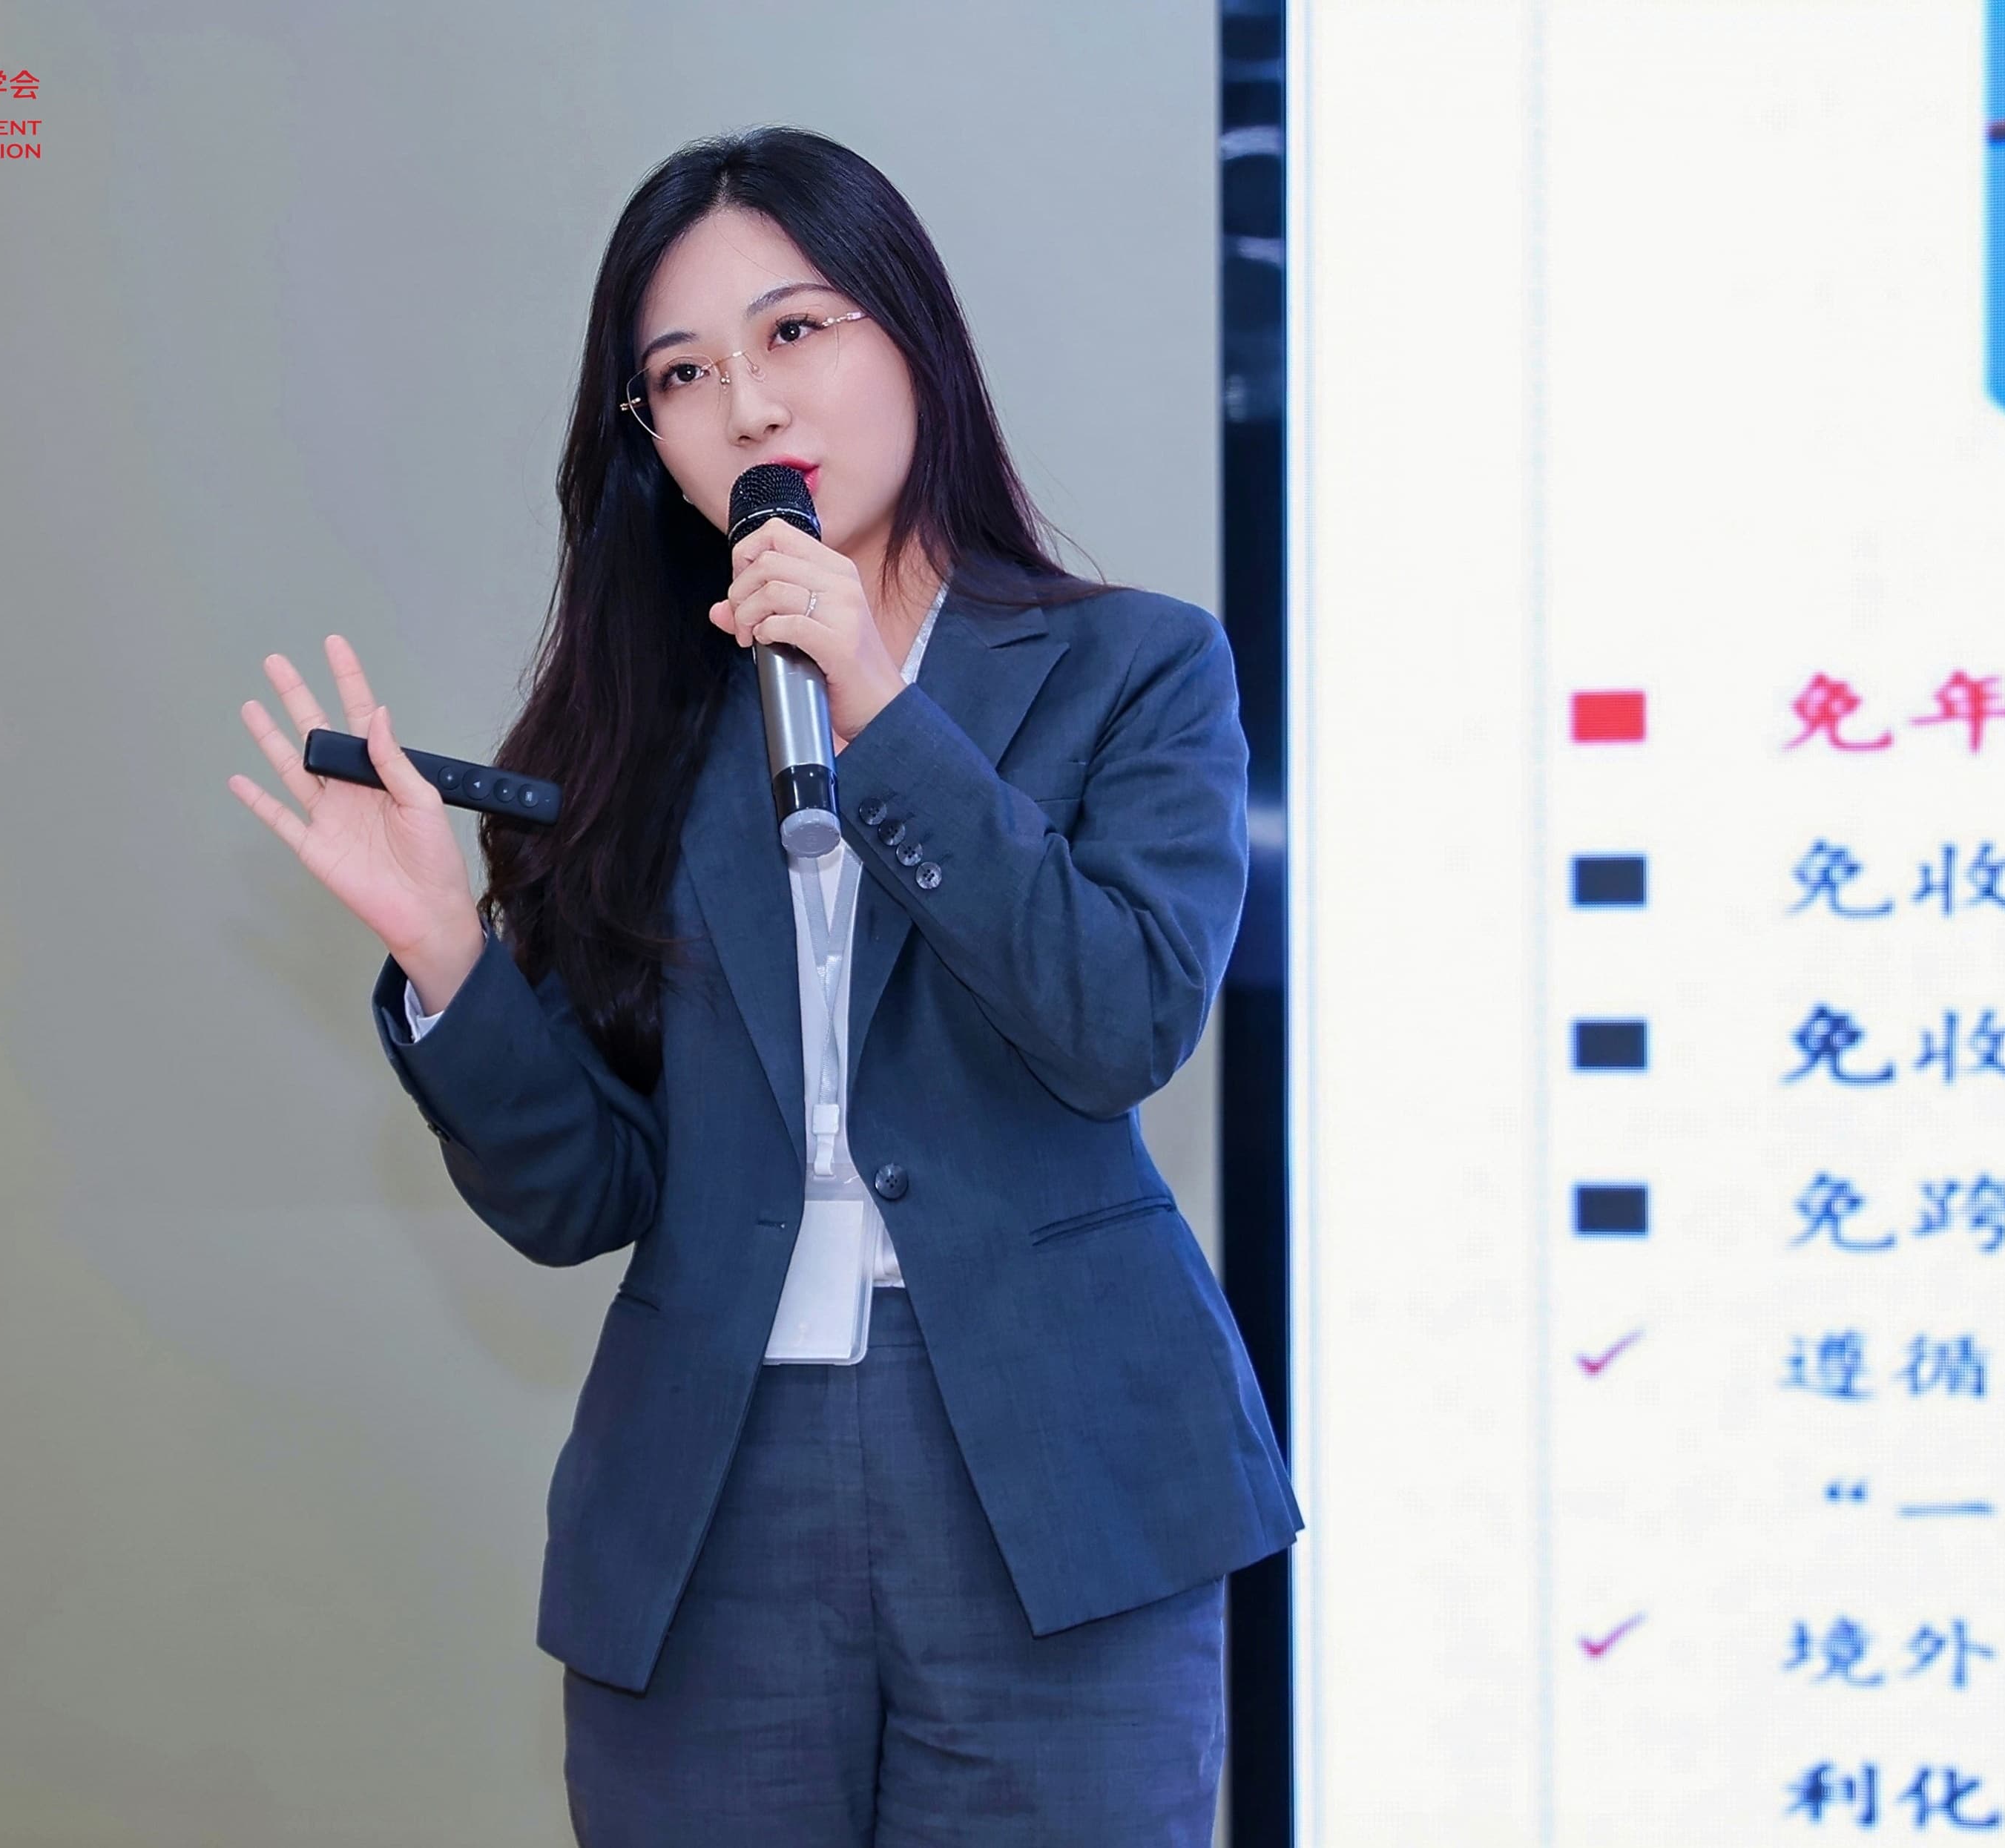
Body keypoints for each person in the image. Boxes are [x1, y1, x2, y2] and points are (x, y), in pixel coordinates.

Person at [227, 125, 1301, 1848]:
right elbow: (581, 1194)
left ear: (912, 335)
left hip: (1062, 1481)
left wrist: (877, 700)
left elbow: (1120, 1019)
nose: (746, 403)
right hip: (712, 1491)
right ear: (647, 439)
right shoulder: (632, 729)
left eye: (793, 330)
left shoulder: (1135, 665)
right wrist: (447, 952)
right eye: (680, 372)